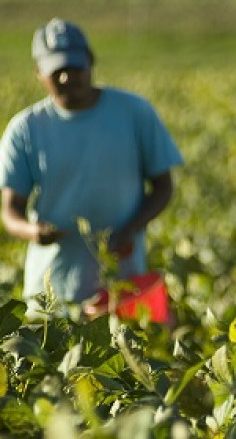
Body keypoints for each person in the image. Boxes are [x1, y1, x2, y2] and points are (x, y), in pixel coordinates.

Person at [0, 18, 183, 310]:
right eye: (56, 71)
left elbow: (163, 187)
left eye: (74, 68)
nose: (66, 79)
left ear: (90, 61)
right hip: (52, 290)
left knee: (122, 351)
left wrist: (129, 229)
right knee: (54, 350)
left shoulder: (133, 112)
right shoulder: (25, 129)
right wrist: (33, 231)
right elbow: (10, 211)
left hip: (123, 284)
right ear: (38, 73)